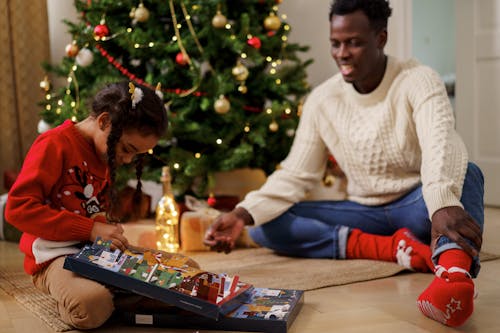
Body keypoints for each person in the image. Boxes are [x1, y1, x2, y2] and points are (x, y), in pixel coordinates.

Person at [204, 0, 484, 328]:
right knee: (265, 223)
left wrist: (440, 205)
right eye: (335, 43)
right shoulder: (323, 100)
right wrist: (240, 213)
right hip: (364, 211)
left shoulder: (418, 79)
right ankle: (397, 249)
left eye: (354, 42)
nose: (342, 53)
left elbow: (441, 145)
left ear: (380, 38)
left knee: (468, 173)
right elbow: (296, 174)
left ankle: (453, 277)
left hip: (417, 204)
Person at [5, 81, 169, 329]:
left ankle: (119, 293)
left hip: (93, 253)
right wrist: (90, 230)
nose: (127, 159)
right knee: (90, 305)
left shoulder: (103, 151)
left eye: (136, 155)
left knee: (183, 273)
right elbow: (17, 209)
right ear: (104, 121)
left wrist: (106, 232)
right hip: (53, 257)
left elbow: (94, 209)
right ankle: (108, 295)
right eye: (126, 149)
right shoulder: (54, 144)